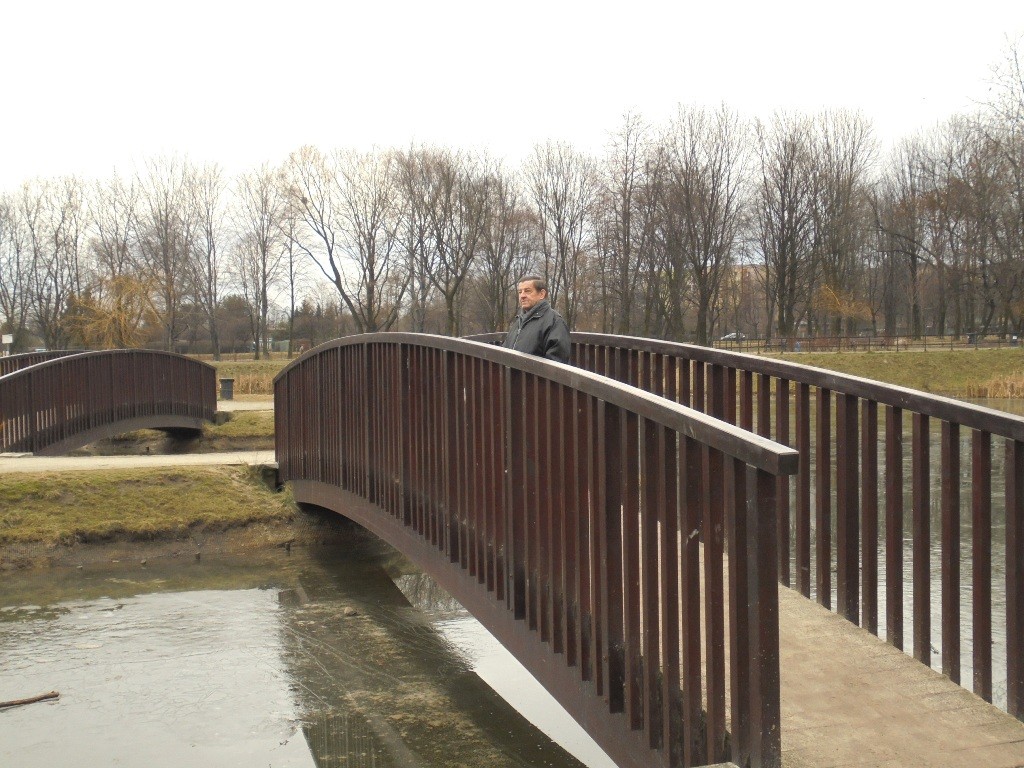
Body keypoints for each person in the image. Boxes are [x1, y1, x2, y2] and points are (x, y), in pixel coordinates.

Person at [502, 274, 571, 363]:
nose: (522, 296)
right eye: (520, 292)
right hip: (511, 376)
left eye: (527, 291)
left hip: (533, 377)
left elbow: (557, 364)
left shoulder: (555, 322)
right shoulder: (519, 321)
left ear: (542, 294)